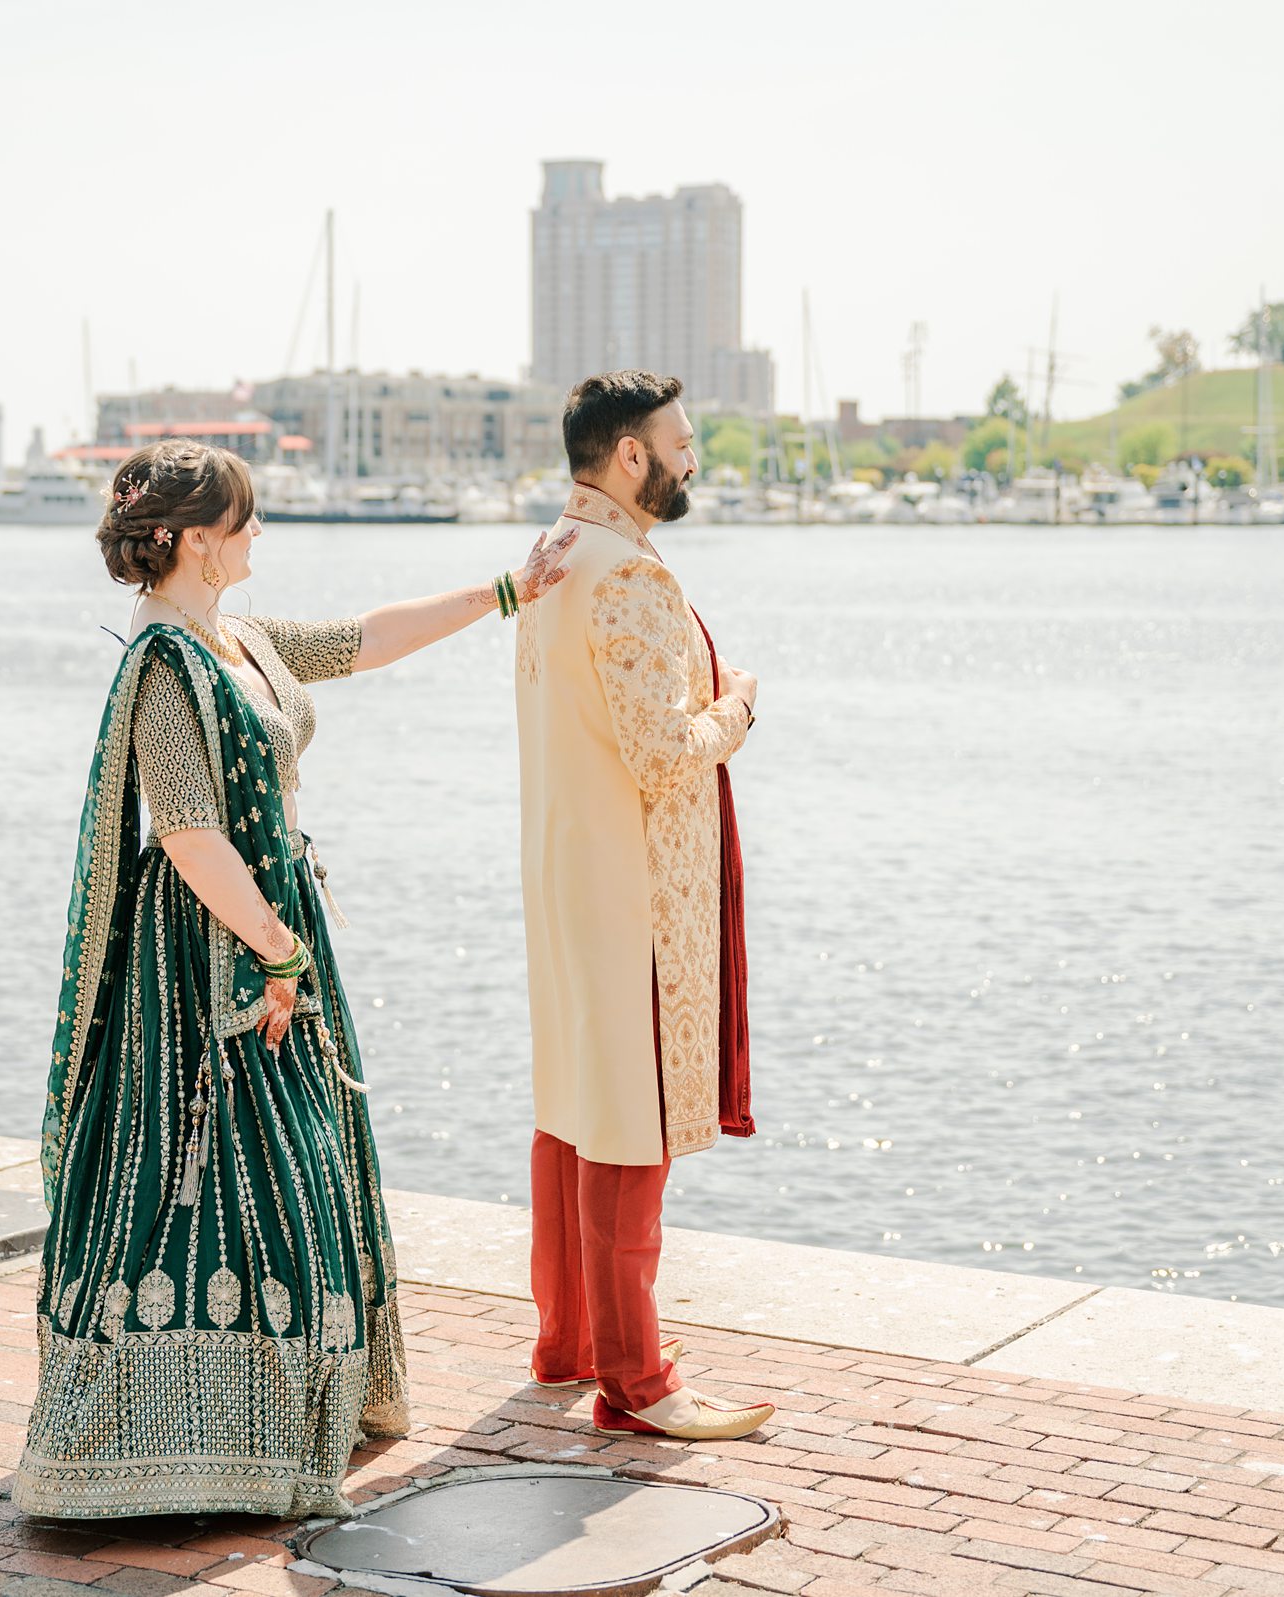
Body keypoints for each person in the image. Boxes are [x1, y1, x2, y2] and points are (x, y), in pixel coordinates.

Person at [17, 438, 576, 1518]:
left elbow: (364, 640)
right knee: (221, 1179)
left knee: (300, 1171)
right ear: (191, 542)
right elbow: (184, 832)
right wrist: (275, 946)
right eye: (244, 521)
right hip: (207, 958)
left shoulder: (240, 640)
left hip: (274, 931)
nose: (258, 533)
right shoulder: (167, 663)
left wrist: (509, 588)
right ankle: (168, 1444)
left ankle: (285, 1416)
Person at [513, 370, 775, 1442]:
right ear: (630, 455)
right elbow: (664, 749)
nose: (694, 453)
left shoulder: (549, 560)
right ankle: (637, 1379)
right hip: (632, 886)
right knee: (627, 1118)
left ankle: (569, 1342)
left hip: (566, 872)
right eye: (681, 439)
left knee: (577, 1101)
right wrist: (735, 711)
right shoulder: (624, 573)